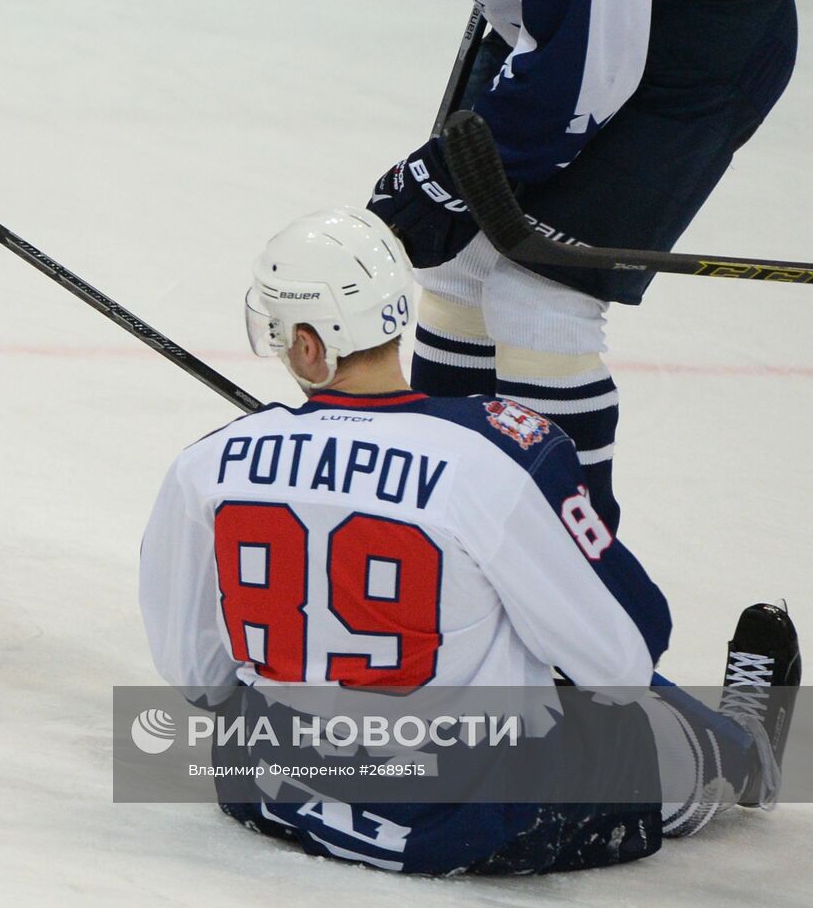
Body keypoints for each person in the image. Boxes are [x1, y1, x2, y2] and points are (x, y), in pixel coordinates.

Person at [137, 207, 800, 874]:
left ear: (309, 345)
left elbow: (196, 675)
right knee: (628, 728)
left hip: (270, 790)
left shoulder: (209, 464)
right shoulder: (493, 459)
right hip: (465, 819)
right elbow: (623, 662)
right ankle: (746, 756)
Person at [366, 0, 797, 530]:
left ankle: (573, 563)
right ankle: (446, 524)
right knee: (458, 268)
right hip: (564, 31)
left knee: (539, 296)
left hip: (697, 55)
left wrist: (439, 177)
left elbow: (583, 79)